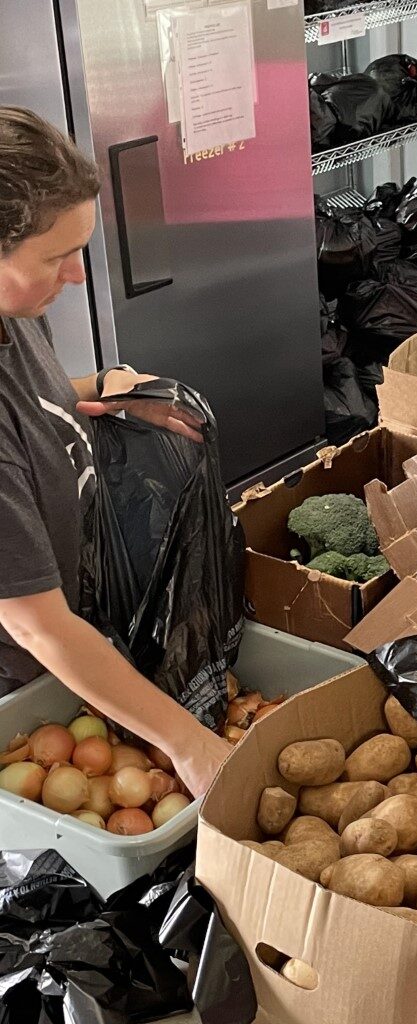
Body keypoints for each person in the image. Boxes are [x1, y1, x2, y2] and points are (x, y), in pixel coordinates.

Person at [0, 107, 230, 796]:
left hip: (67, 653)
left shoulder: (14, 312)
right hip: (23, 694)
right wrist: (188, 744)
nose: (75, 276)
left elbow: (27, 407)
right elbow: (36, 627)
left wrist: (104, 392)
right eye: (54, 256)